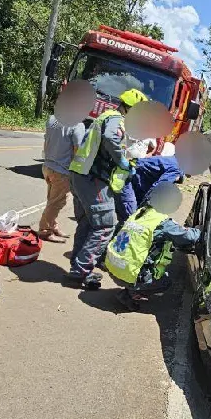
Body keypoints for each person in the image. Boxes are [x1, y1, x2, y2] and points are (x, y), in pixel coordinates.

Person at [66, 88, 149, 289]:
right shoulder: (115, 118)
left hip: (80, 174)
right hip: (92, 177)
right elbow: (111, 137)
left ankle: (77, 268)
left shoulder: (107, 116)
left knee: (87, 223)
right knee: (106, 225)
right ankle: (82, 270)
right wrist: (121, 161)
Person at [105, 182, 200, 310]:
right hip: (127, 273)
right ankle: (130, 294)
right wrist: (201, 230)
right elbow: (189, 237)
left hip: (113, 266)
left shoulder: (140, 213)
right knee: (165, 282)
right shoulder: (162, 223)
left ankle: (132, 287)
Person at [38, 115, 85, 243]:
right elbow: (78, 151)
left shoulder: (53, 119)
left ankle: (53, 226)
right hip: (62, 171)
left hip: (47, 166)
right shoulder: (77, 124)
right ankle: (44, 231)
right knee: (56, 203)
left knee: (52, 200)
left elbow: (46, 140)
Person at [116, 143, 184, 226]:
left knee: (132, 216)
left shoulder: (174, 161)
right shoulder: (176, 167)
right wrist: (145, 211)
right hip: (128, 178)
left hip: (136, 179)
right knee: (133, 219)